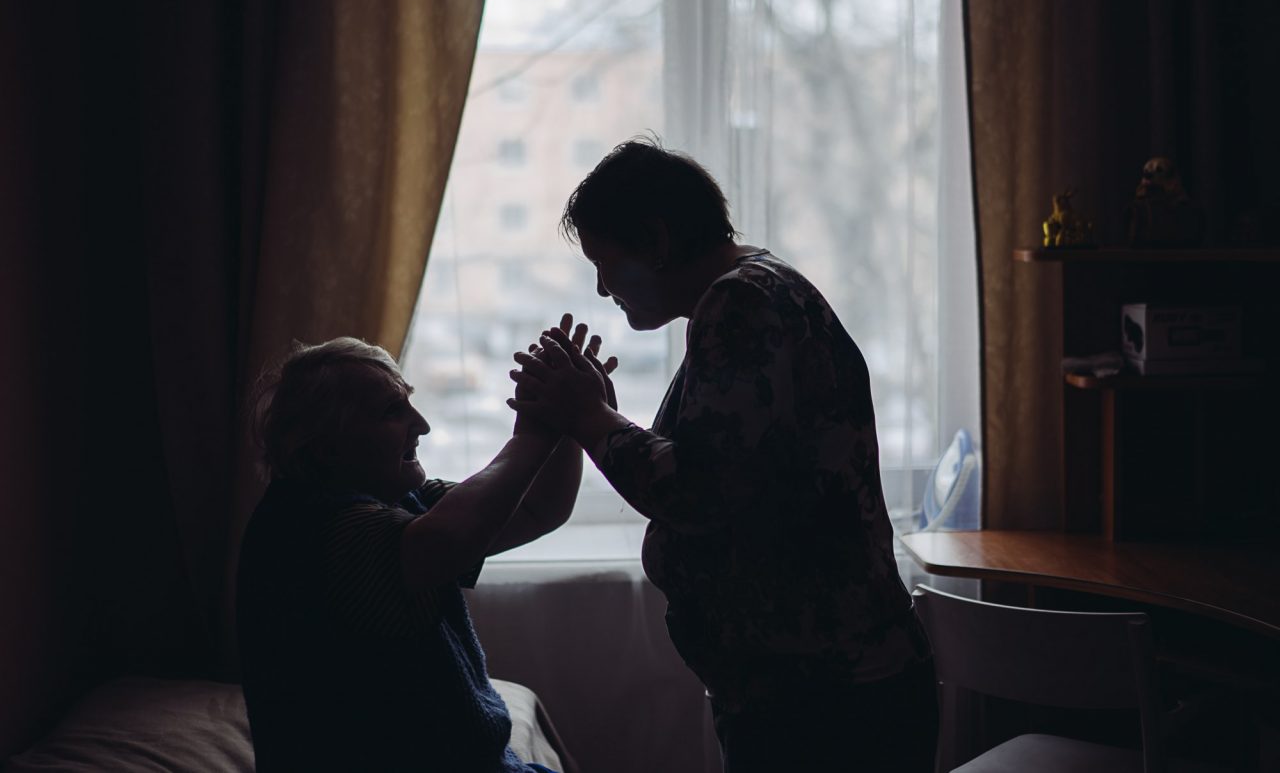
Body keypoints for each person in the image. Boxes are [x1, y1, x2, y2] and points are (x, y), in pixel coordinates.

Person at [508, 139, 938, 772]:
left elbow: (695, 491)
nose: (601, 288)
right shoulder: (753, 292)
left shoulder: (741, 304)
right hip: (816, 688)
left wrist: (588, 416)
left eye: (605, 262)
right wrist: (597, 412)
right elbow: (727, 467)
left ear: (656, 241)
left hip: (825, 700)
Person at [237, 322, 611, 773]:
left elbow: (538, 509)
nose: (422, 425)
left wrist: (569, 423)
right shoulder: (307, 527)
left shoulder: (400, 500)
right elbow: (448, 540)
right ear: (326, 449)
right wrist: (534, 433)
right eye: (392, 411)